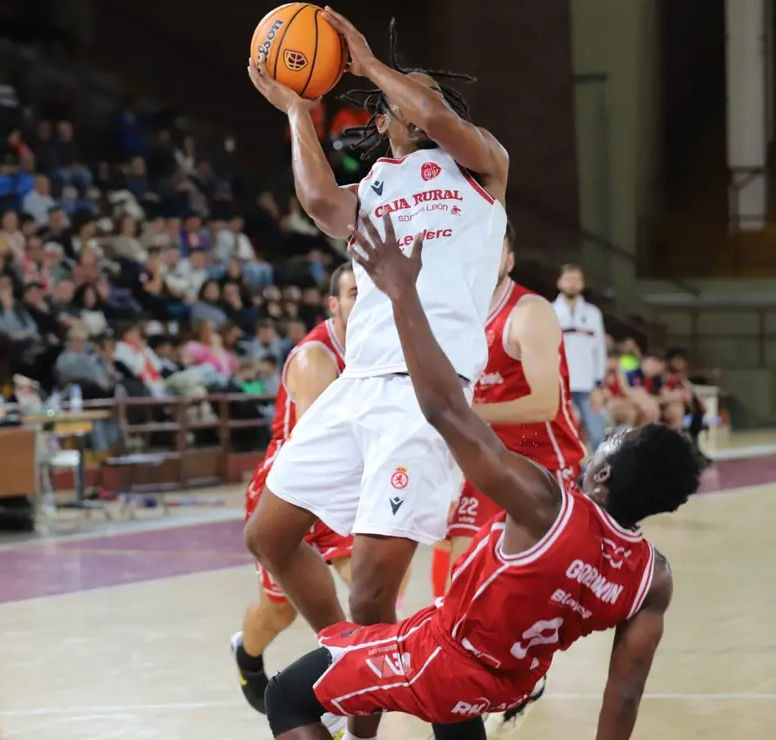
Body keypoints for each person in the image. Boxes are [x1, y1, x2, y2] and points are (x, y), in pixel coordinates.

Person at [263, 211, 701, 740]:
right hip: (509, 680)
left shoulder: (546, 504)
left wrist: (402, 293)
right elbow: (625, 692)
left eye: (607, 443)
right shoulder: (652, 576)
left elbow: (444, 409)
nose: (595, 445)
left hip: (442, 661)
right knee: (456, 686)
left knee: (286, 696)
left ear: (602, 476)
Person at [245, 16, 509, 739]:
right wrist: (301, 112)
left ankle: (377, 706)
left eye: (423, 95)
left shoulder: (482, 166)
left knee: (370, 590)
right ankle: (346, 666)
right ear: (382, 123)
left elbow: (428, 112)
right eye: (399, 96)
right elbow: (320, 203)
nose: (414, 103)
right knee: (269, 536)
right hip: (359, 384)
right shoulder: (375, 185)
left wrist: (364, 62)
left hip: (424, 391)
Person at [436, 227, 586, 736]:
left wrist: (466, 413)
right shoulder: (454, 311)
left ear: (509, 257)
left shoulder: (529, 313)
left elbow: (545, 402)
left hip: (544, 461)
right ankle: (464, 691)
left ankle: (522, 666)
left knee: (523, 588)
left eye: (492, 244)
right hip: (485, 459)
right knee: (459, 574)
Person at [231, 265, 355, 725]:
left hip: (343, 481)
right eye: (354, 293)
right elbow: (320, 451)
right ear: (334, 305)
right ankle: (246, 654)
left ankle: (343, 692)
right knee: (279, 612)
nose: (364, 302)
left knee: (367, 584)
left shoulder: (382, 344)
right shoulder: (315, 359)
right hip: (292, 486)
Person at [553, 264, 607, 451]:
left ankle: (596, 476)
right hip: (559, 385)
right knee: (565, 434)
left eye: (577, 280)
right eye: (568, 279)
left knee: (598, 434)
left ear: (582, 284)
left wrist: (599, 384)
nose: (572, 284)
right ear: (559, 282)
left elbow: (599, 350)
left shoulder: (593, 314)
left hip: (588, 386)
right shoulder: (549, 311)